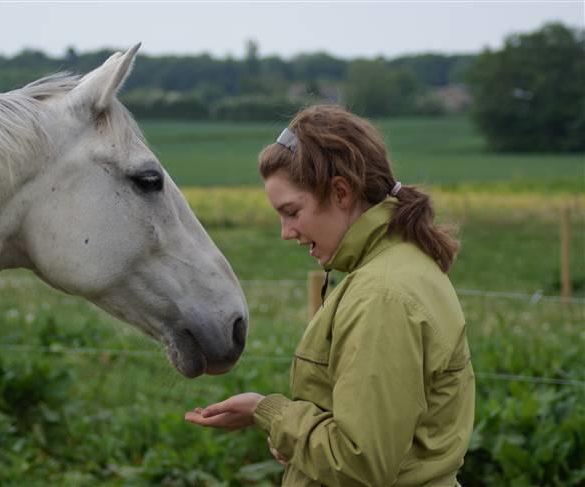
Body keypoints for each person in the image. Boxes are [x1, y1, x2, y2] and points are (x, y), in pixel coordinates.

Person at [185, 104, 475, 486]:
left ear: (341, 192)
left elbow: (359, 461)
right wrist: (292, 438)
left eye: (292, 211)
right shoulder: (402, 267)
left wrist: (268, 411)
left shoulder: (382, 297)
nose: (285, 232)